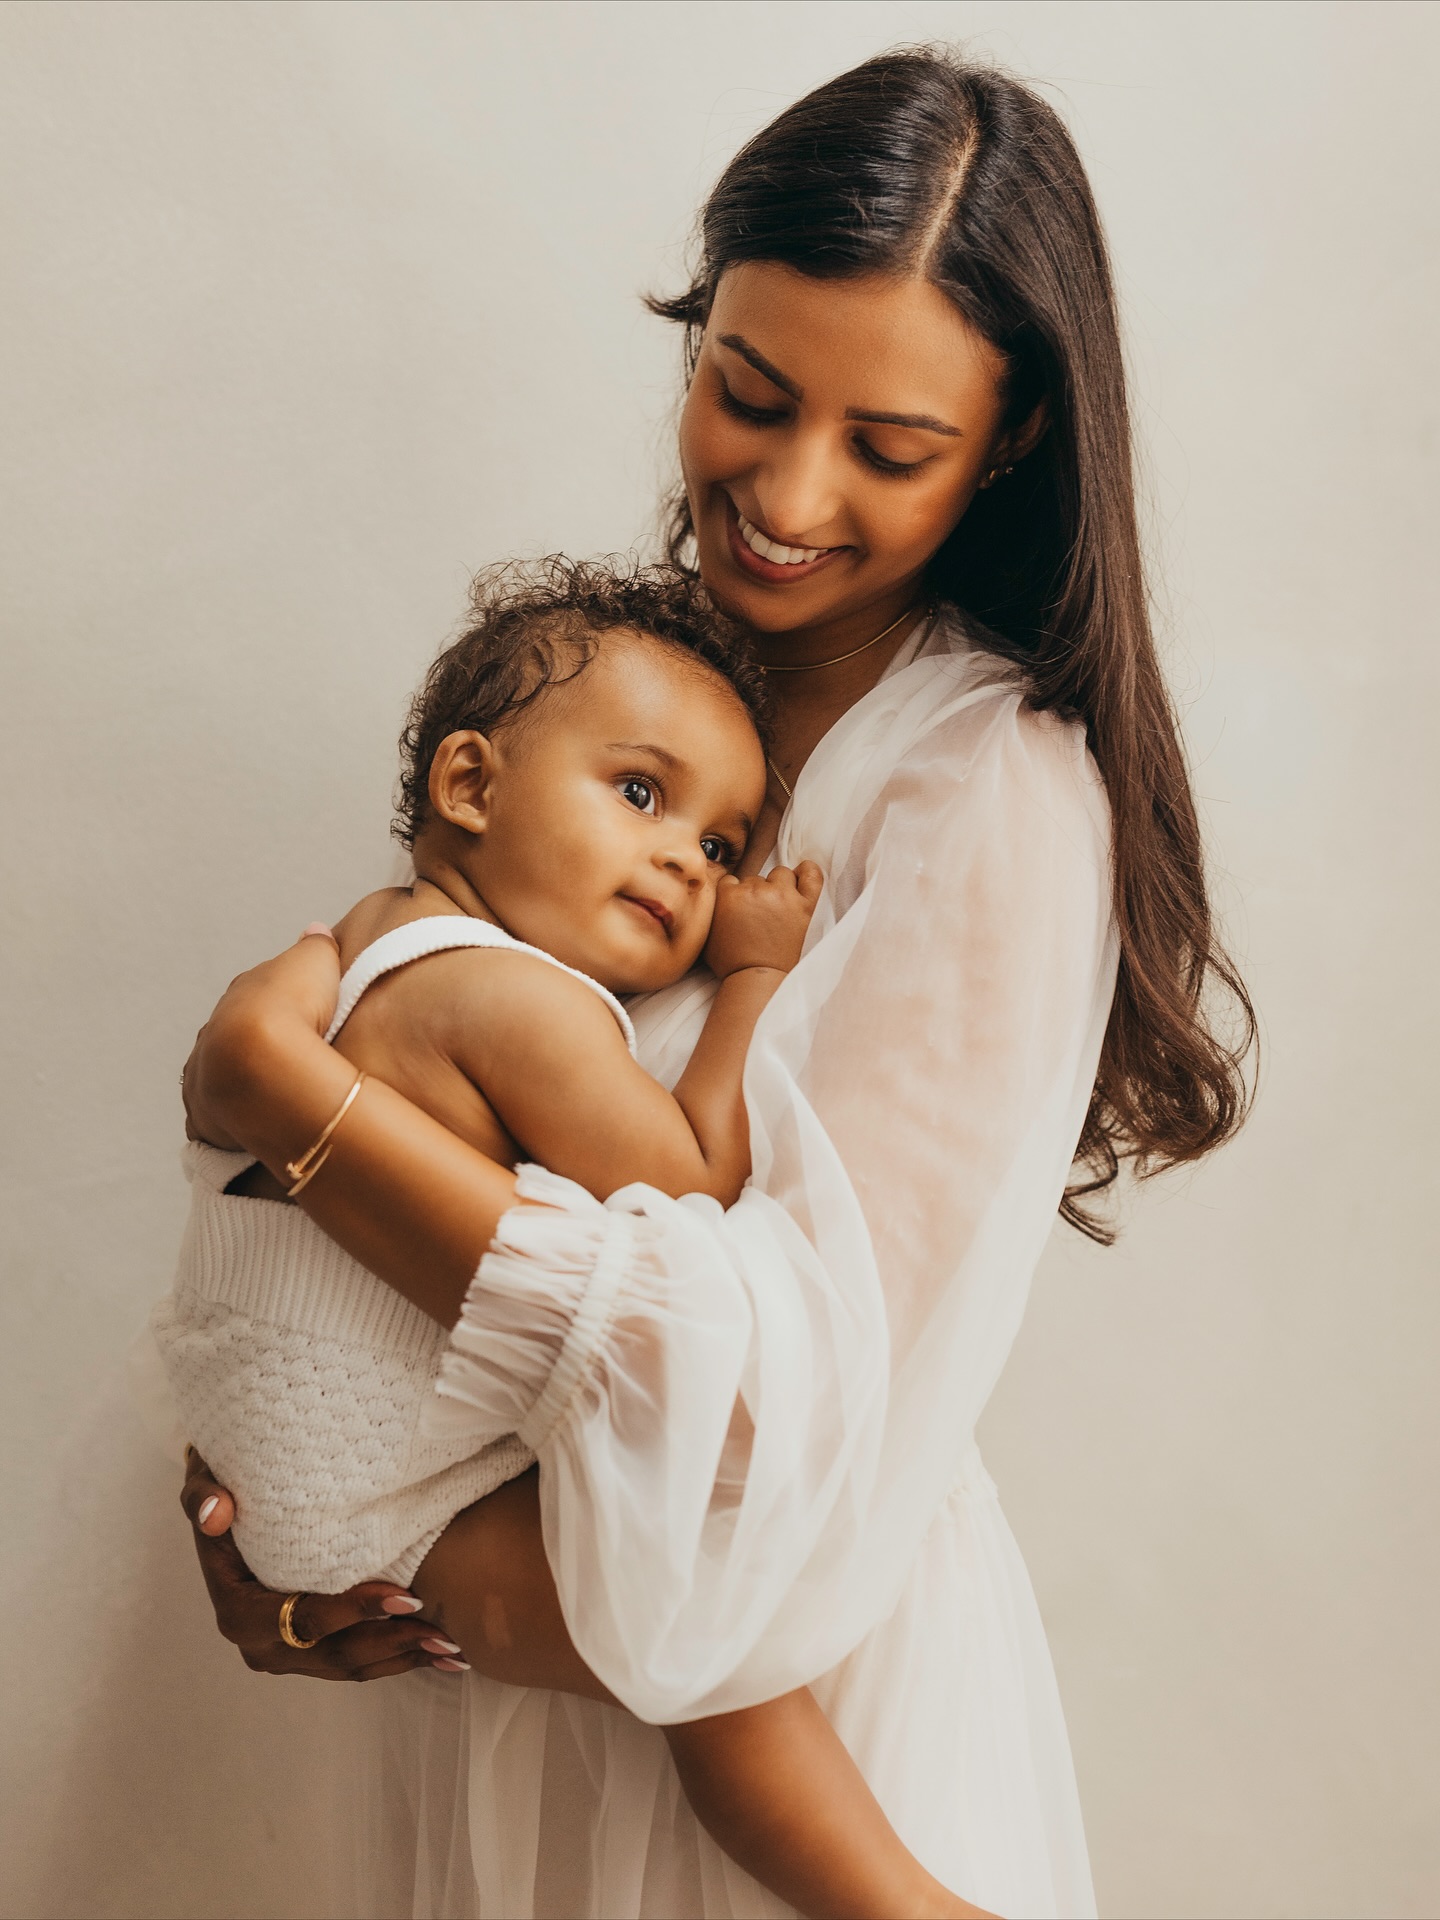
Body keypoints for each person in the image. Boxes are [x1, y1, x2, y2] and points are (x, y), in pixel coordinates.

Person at [177, 47, 1254, 1920]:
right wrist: (278, 1502)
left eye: (889, 450)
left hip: (780, 1685)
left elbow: (769, 1411)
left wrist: (312, 1115)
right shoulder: (643, 700)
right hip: (528, 1679)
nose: (787, 494)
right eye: (746, 394)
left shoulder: (985, 787)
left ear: (1005, 447)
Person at [158, 559, 981, 1916]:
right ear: (469, 787)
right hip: (385, 1495)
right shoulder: (509, 1000)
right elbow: (693, 1178)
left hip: (289, 1472)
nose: (687, 861)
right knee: (709, 1651)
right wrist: (755, 976)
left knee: (706, 1641)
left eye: (721, 846)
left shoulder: (378, 939)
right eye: (642, 794)